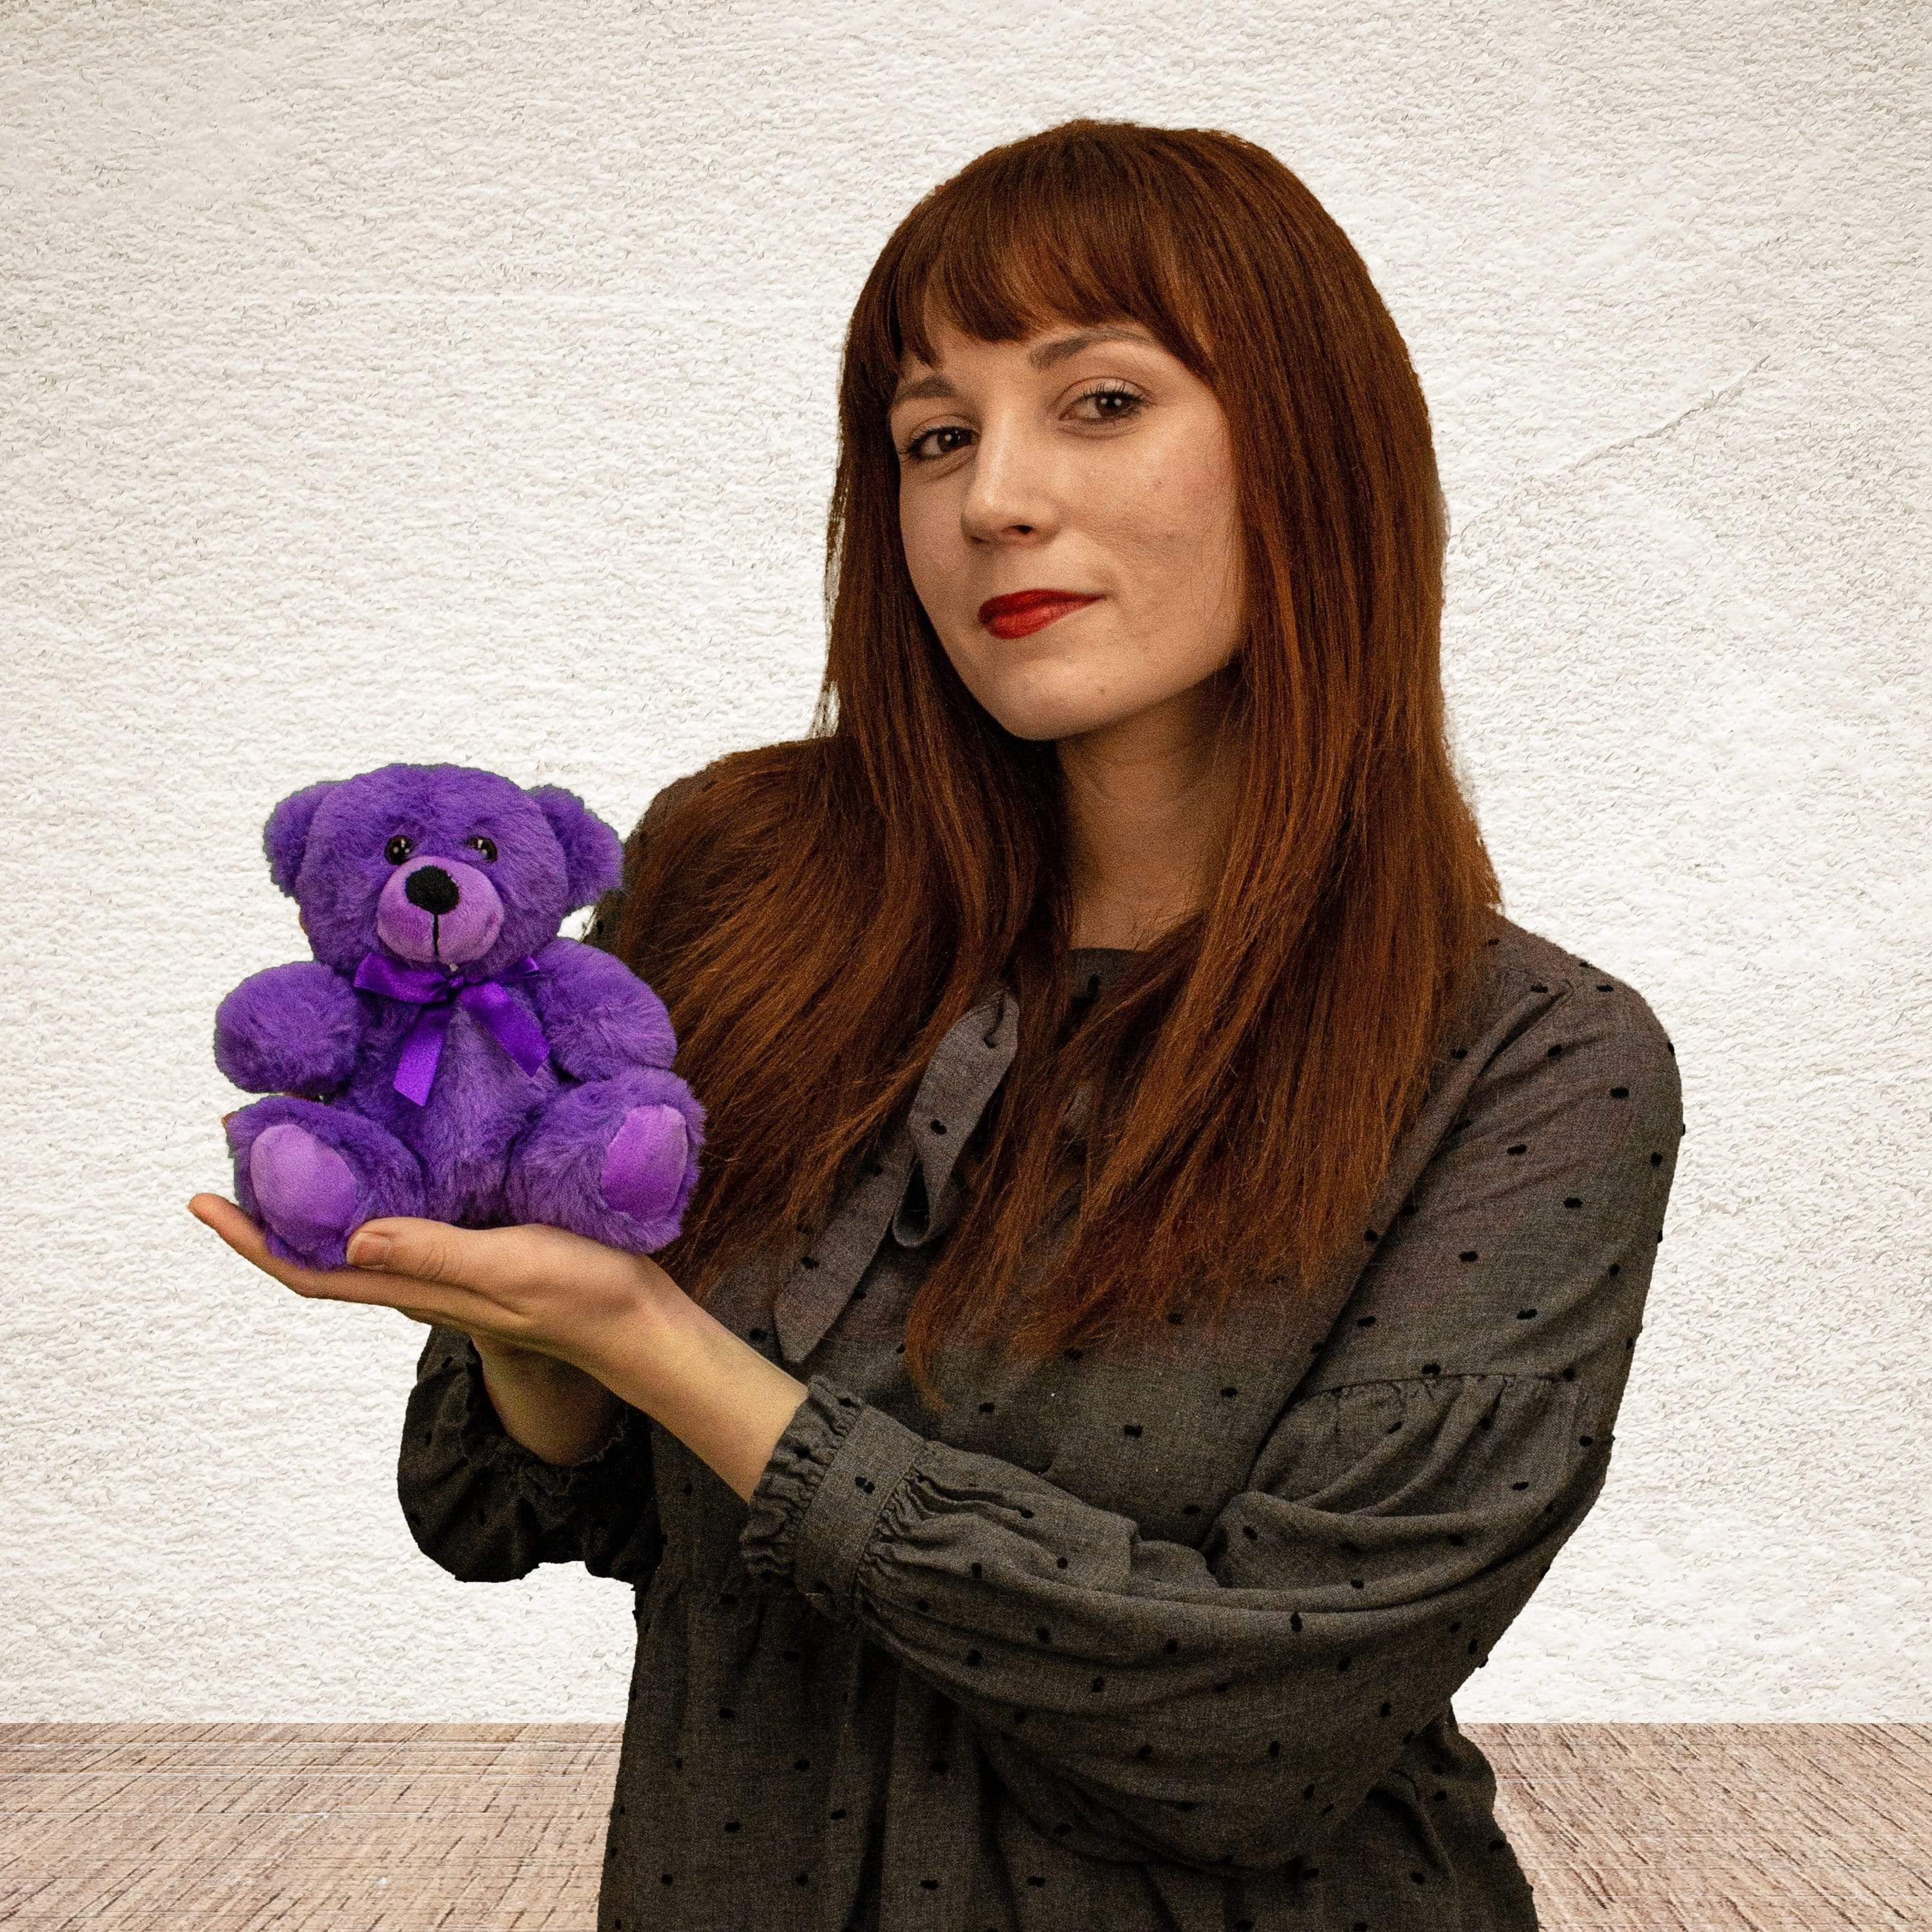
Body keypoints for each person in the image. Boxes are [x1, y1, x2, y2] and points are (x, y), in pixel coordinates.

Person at [206, 118, 1685, 1931]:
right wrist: (518, 1325)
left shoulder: (1534, 1063)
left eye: (1100, 401)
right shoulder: (736, 876)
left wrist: (667, 1349)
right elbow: (524, 1512)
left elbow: (1264, 1726)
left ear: (1311, 448)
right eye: (931, 436)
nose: (991, 496)